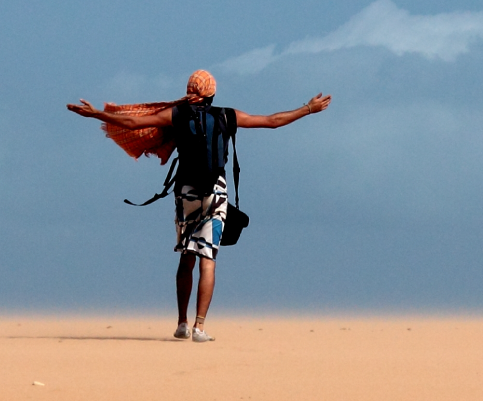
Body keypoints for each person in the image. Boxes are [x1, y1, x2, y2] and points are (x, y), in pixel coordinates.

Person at [68, 70, 331, 342]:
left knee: (186, 255)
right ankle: (199, 327)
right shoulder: (228, 115)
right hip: (215, 192)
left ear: (190, 90)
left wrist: (97, 114)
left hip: (186, 193)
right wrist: (308, 109)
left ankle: (181, 323)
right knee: (208, 259)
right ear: (212, 93)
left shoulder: (177, 115)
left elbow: (133, 122)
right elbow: (272, 121)